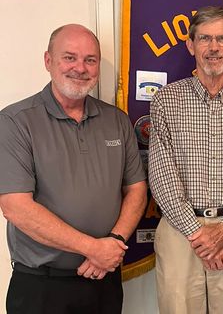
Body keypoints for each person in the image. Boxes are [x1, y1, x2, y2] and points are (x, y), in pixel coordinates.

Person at [0, 24, 148, 314]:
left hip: (104, 279)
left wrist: (114, 242)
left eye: (90, 60)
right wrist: (93, 248)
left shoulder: (116, 121)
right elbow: (15, 207)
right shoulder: (16, 122)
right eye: (70, 57)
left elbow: (137, 190)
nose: (80, 68)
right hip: (41, 286)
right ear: (48, 61)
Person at [148, 6, 223, 313]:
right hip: (179, 232)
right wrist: (198, 234)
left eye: (222, 39)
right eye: (204, 39)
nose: (214, 48)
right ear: (191, 45)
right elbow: (161, 174)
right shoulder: (166, 100)